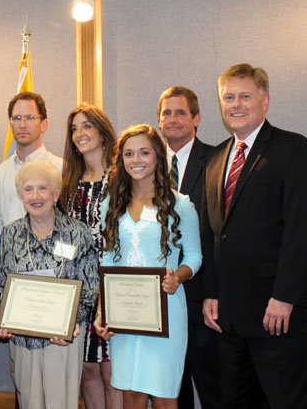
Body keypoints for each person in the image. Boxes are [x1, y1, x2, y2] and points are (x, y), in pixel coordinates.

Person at [201, 63, 307, 409]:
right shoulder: (215, 159)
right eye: (228, 97)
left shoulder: (294, 150)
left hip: (281, 317)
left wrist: (285, 296)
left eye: (245, 95)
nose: (236, 104)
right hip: (230, 320)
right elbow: (212, 234)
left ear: (265, 100)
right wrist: (211, 292)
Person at [95, 124, 202, 409]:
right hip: (124, 311)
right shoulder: (111, 205)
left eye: (144, 152)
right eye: (129, 154)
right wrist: (102, 311)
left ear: (157, 156)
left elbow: (194, 256)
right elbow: (106, 260)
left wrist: (177, 277)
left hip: (165, 308)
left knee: (165, 391)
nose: (136, 160)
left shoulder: (180, 205)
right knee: (131, 392)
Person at [0, 160, 99, 409]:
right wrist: (1, 315)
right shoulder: (11, 233)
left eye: (43, 188)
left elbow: (90, 286)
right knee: (29, 402)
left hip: (61, 339)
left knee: (61, 402)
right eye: (28, 189)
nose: (36, 196)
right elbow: (0, 282)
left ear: (56, 193)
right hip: (22, 338)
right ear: (21, 195)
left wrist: (72, 322)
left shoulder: (77, 233)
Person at [157, 86, 220, 409]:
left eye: (181, 112)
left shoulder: (217, 160)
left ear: (196, 118)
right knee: (171, 390)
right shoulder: (146, 166)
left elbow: (218, 233)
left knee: (212, 387)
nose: (173, 119)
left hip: (201, 298)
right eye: (167, 113)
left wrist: (214, 291)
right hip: (160, 303)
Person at [58, 103, 122, 408]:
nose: (79, 134)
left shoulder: (121, 177)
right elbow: (61, 237)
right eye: (74, 128)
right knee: (86, 370)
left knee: (112, 372)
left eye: (86, 126)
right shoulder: (69, 181)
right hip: (77, 286)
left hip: (111, 283)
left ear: (102, 131)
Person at [0, 92, 63, 231]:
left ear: (44, 124)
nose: (22, 124)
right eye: (17, 118)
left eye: (30, 118)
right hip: (9, 250)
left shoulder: (60, 168)